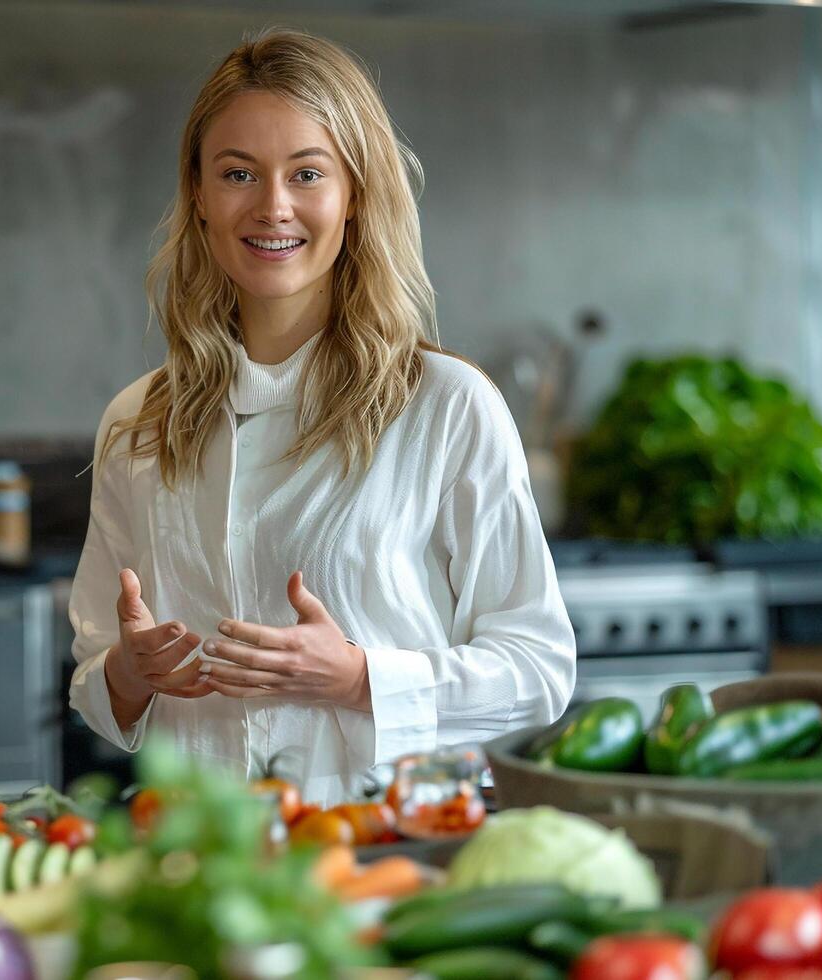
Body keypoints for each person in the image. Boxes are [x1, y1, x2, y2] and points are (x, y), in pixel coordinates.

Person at [67, 27, 575, 804]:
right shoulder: (137, 422)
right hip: (210, 863)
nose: (272, 206)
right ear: (198, 197)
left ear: (354, 197)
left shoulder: (443, 406)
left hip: (390, 853)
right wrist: (129, 676)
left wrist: (360, 679)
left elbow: (539, 670)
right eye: (238, 172)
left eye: (307, 173)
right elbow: (96, 683)